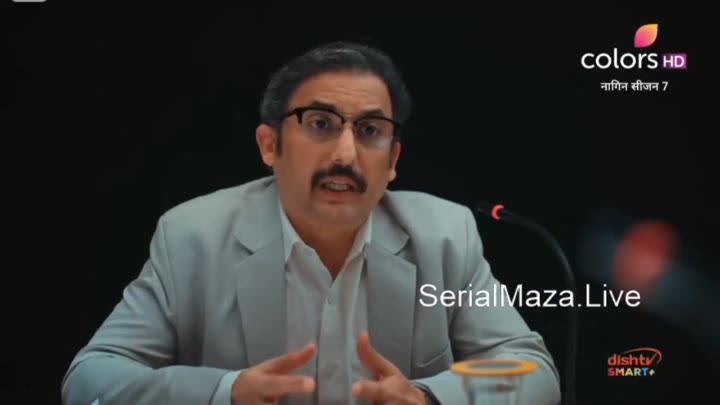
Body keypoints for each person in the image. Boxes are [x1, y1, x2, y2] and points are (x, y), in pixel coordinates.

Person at [61, 41, 561, 405]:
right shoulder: (193, 236)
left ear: (392, 161)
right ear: (269, 145)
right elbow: (90, 380)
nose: (346, 154)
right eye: (320, 123)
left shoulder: (445, 236)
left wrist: (429, 398)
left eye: (370, 130)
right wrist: (223, 393)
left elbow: (534, 372)